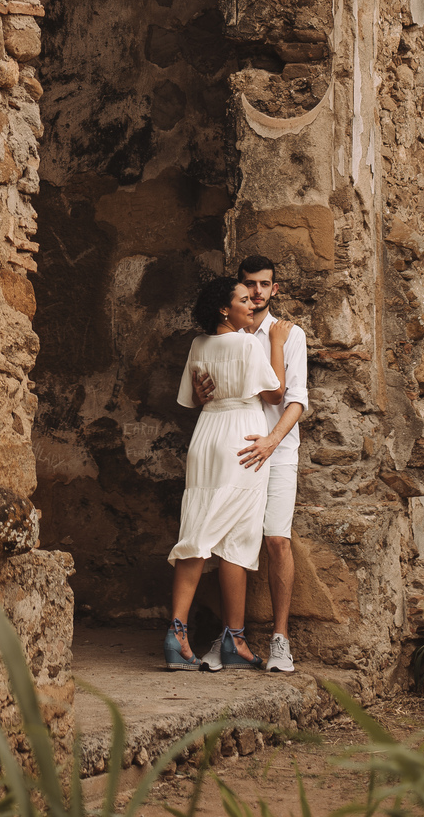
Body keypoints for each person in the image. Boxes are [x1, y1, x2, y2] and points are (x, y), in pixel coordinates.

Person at [164, 275, 291, 671]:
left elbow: (192, 398)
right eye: (243, 300)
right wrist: (276, 343)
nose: (252, 304)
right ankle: (181, 633)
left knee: (214, 528)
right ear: (224, 309)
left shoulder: (199, 344)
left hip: (207, 436)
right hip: (241, 438)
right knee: (218, 534)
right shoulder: (247, 343)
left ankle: (231, 639)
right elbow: (275, 393)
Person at [192, 253, 307, 675]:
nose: (256, 292)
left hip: (277, 451)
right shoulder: (223, 336)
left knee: (276, 540)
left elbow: (294, 399)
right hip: (236, 450)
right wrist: (203, 393)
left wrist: (272, 442)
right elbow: (206, 395)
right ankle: (230, 637)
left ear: (274, 288)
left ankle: (280, 639)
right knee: (230, 542)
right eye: (249, 284)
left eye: (264, 284)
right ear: (238, 287)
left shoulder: (289, 335)